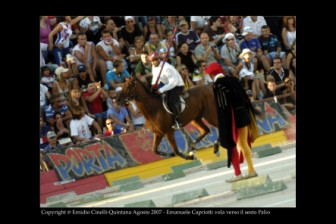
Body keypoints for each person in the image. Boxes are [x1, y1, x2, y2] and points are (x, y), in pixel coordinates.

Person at [204, 62, 260, 182]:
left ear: (211, 75)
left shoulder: (218, 85)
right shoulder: (232, 79)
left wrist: (223, 124)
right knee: (243, 143)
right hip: (244, 114)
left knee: (236, 145)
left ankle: (247, 171)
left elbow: (223, 106)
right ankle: (249, 170)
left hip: (233, 118)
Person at [148, 51, 184, 129]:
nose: (152, 63)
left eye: (154, 60)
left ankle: (178, 121)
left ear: (158, 59)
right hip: (165, 84)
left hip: (177, 85)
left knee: (171, 101)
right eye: (151, 61)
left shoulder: (167, 68)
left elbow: (173, 82)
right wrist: (153, 86)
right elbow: (155, 77)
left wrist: (161, 90)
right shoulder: (154, 66)